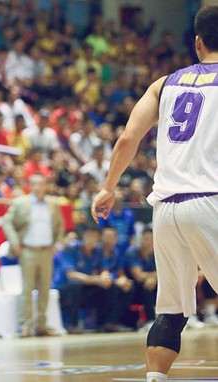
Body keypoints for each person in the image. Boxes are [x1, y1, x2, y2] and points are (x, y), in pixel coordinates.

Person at [91, 6, 218, 382]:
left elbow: (128, 138)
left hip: (165, 208)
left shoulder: (163, 84)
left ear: (197, 43)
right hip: (211, 199)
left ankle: (154, 379)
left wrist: (108, 187)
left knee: (171, 312)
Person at [2, 174, 64, 337]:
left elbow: (60, 225)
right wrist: (14, 241)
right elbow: (7, 222)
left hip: (46, 251)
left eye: (41, 184)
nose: (38, 187)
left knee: (45, 289)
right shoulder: (20, 202)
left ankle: (41, 325)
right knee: (27, 289)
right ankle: (25, 326)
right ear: (30, 186)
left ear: (46, 186)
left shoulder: (53, 204)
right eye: (35, 184)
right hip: (28, 250)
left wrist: (58, 244)